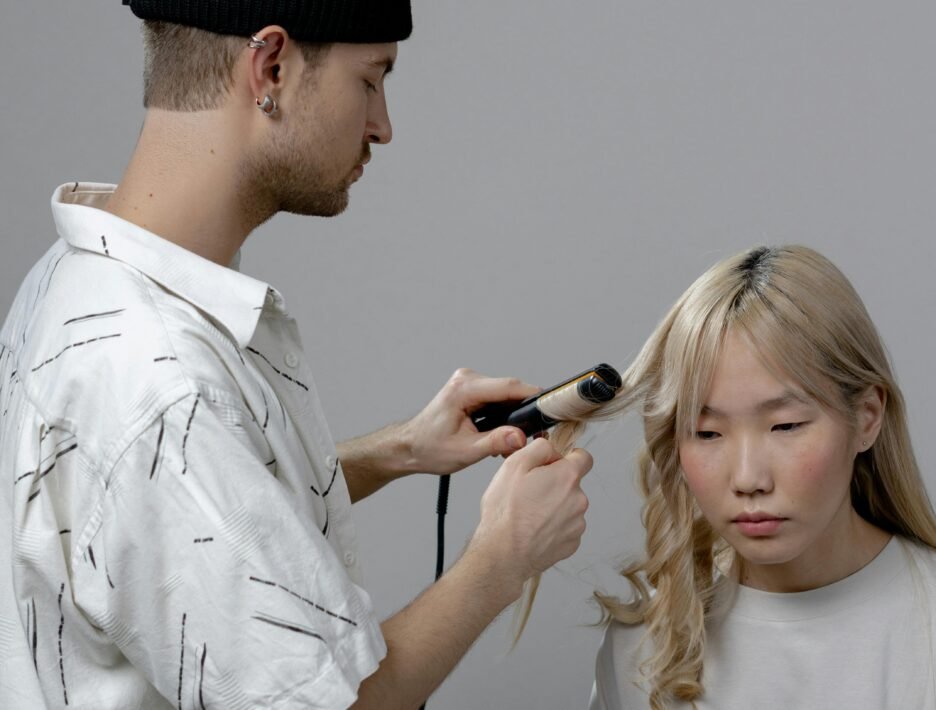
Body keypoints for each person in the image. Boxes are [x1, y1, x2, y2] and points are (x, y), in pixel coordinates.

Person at [0, 2, 592, 708]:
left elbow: (174, 520)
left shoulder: (75, 280)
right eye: (371, 79)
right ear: (271, 66)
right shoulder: (161, 386)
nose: (383, 124)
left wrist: (400, 451)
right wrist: (503, 557)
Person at [571, 245, 936, 709]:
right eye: (706, 432)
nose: (748, 478)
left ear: (867, 417)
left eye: (785, 425)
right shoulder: (646, 641)